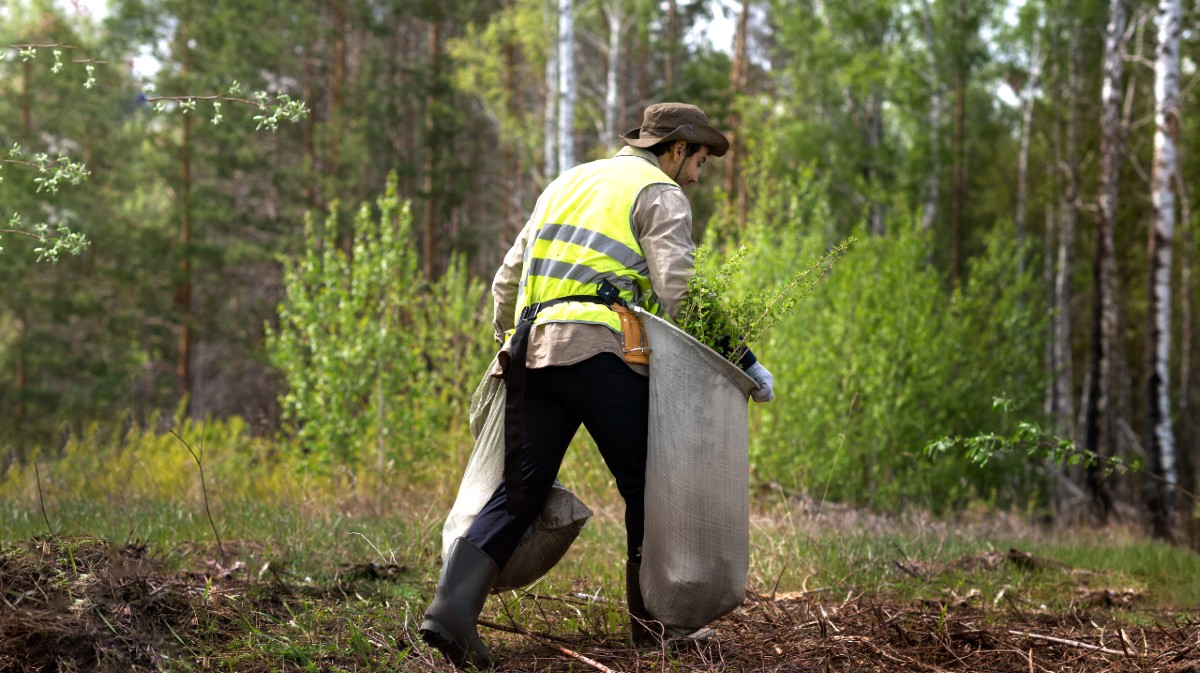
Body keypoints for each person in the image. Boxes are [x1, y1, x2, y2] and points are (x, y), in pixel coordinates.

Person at [419, 102, 775, 670]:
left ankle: (451, 611)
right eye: (700, 159)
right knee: (651, 487)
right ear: (676, 149)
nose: (699, 174)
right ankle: (654, 626)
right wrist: (744, 360)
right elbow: (679, 291)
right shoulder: (658, 192)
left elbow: (506, 277)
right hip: (602, 355)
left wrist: (508, 338)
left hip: (531, 352)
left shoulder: (568, 182)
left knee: (521, 489)